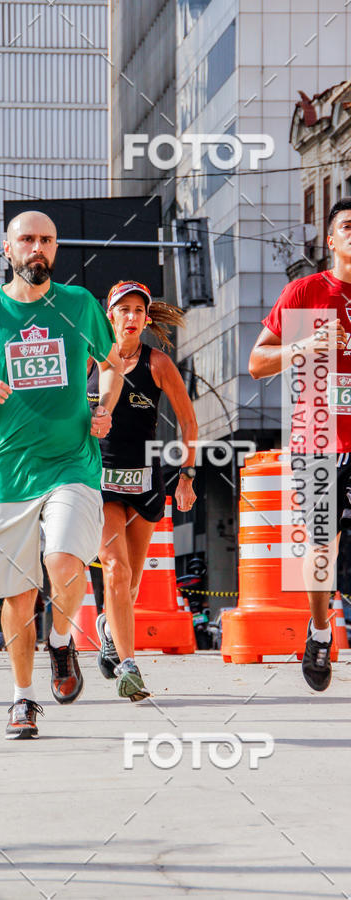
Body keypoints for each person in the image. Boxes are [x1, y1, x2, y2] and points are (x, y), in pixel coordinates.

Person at [0, 209, 123, 739]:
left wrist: (102, 406)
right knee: (16, 594)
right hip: (6, 473)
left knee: (63, 560)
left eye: (47, 240)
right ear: (7, 249)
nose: (38, 248)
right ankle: (22, 697)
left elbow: (111, 362)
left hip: (72, 462)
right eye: (28, 239)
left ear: (55, 250)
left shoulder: (79, 304)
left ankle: (60, 640)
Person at [249, 198, 351, 693]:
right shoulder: (305, 292)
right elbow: (257, 362)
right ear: (330, 240)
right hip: (319, 440)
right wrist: (304, 347)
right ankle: (319, 630)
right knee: (320, 548)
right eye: (348, 227)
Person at [88, 280, 198, 700]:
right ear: (110, 316)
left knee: (130, 581)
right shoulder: (91, 360)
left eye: (138, 310)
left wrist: (188, 473)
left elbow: (188, 422)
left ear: (146, 318)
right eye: (124, 310)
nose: (131, 317)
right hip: (101, 480)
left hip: (146, 481)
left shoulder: (158, 364)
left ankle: (108, 628)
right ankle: (129, 668)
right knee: (115, 569)